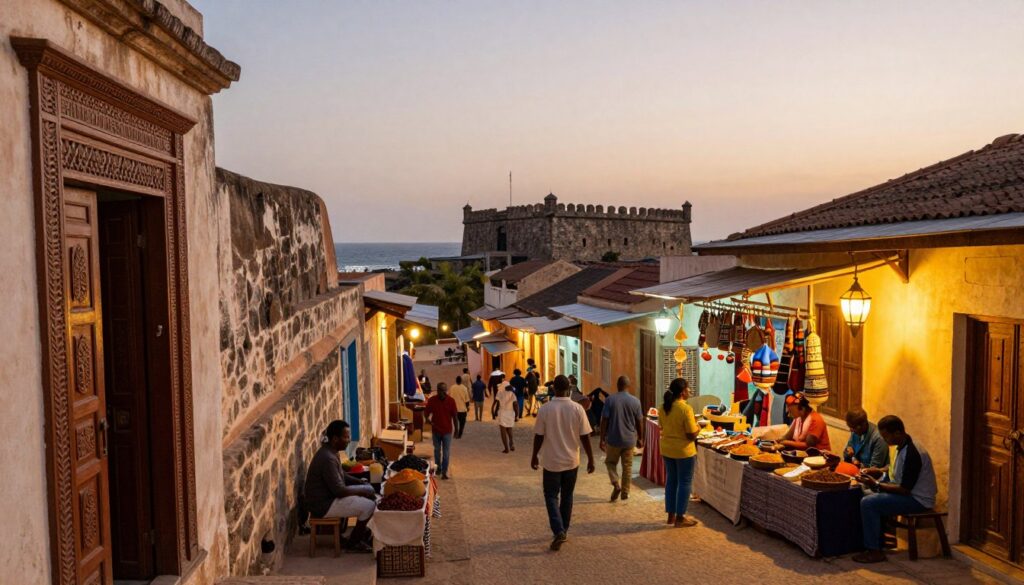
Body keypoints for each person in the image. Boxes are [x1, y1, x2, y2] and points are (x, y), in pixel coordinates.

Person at [854, 415, 937, 564]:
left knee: (868, 503)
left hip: (917, 500)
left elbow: (904, 489)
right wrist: (878, 471)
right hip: (906, 493)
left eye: (886, 436)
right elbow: (895, 474)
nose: (885, 440)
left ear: (897, 433)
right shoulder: (901, 446)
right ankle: (879, 539)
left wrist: (877, 485)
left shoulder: (913, 453)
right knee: (862, 491)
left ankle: (874, 551)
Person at [531, 375, 596, 551]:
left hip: (551, 461)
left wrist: (534, 455)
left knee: (551, 496)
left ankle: (558, 530)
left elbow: (539, 436)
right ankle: (563, 530)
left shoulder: (545, 409)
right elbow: (585, 436)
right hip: (571, 461)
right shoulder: (577, 409)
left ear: (553, 389)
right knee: (567, 496)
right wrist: (590, 458)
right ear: (569, 389)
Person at [303, 420, 376, 552]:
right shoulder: (328, 458)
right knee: (369, 506)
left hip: (328, 498)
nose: (348, 440)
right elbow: (340, 491)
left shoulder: (331, 451)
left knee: (369, 497)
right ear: (336, 439)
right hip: (323, 505)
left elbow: (341, 474)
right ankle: (354, 543)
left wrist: (360, 482)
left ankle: (359, 534)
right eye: (346, 437)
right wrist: (363, 490)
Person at [658, 378, 700, 527]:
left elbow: (662, 426)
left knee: (671, 481)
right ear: (682, 392)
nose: (689, 391)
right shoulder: (685, 409)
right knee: (684, 482)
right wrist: (698, 428)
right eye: (688, 389)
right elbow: (690, 434)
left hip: (667, 449)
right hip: (684, 451)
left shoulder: (663, 407)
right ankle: (680, 517)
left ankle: (671, 516)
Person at [599, 376, 643, 502]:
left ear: (617, 386)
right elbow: (639, 421)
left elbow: (604, 420)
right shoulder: (635, 401)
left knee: (610, 462)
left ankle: (615, 483)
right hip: (629, 440)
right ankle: (625, 492)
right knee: (627, 467)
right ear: (628, 386)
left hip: (613, 439)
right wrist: (641, 438)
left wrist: (602, 439)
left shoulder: (610, 400)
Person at [424, 382, 458, 479]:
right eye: (440, 390)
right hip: (436, 430)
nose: (443, 393)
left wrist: (457, 429)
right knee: (437, 451)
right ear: (437, 390)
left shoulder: (451, 401)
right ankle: (438, 467)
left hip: (447, 431)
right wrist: (427, 419)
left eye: (444, 391)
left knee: (446, 452)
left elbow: (455, 416)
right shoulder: (432, 400)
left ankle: (444, 471)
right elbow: (426, 412)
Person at [496, 383, 520, 453]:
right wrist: (517, 415)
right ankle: (511, 443)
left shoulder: (500, 393)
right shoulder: (512, 394)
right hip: (510, 413)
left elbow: (497, 404)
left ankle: (506, 448)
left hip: (502, 413)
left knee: (503, 431)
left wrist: (494, 412)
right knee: (509, 428)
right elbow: (515, 405)